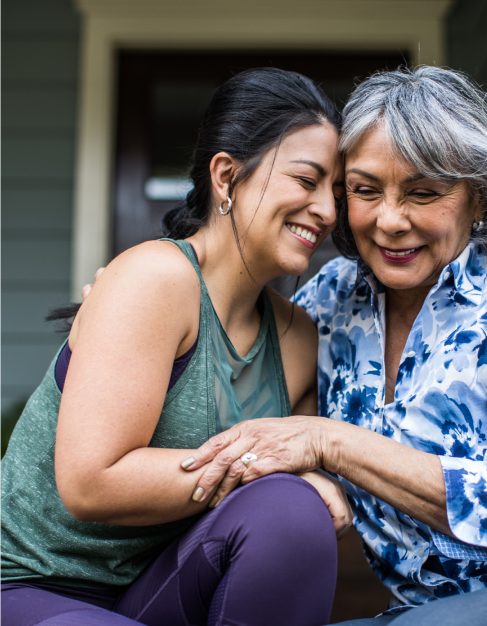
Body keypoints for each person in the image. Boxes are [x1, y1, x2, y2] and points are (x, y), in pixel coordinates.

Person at [180, 67, 487, 625]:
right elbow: (236, 387)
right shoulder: (329, 301)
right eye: (363, 190)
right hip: (431, 610)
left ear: (479, 198)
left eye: (423, 193)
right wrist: (152, 303)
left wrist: (330, 444)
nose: (389, 221)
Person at [0, 68, 353, 626]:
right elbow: (91, 482)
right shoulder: (155, 279)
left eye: (335, 194)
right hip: (31, 583)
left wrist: (310, 480)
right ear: (226, 176)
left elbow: (297, 485)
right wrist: (267, 467)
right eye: (306, 181)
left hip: (156, 588)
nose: (328, 213)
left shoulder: (298, 339)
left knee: (292, 513)